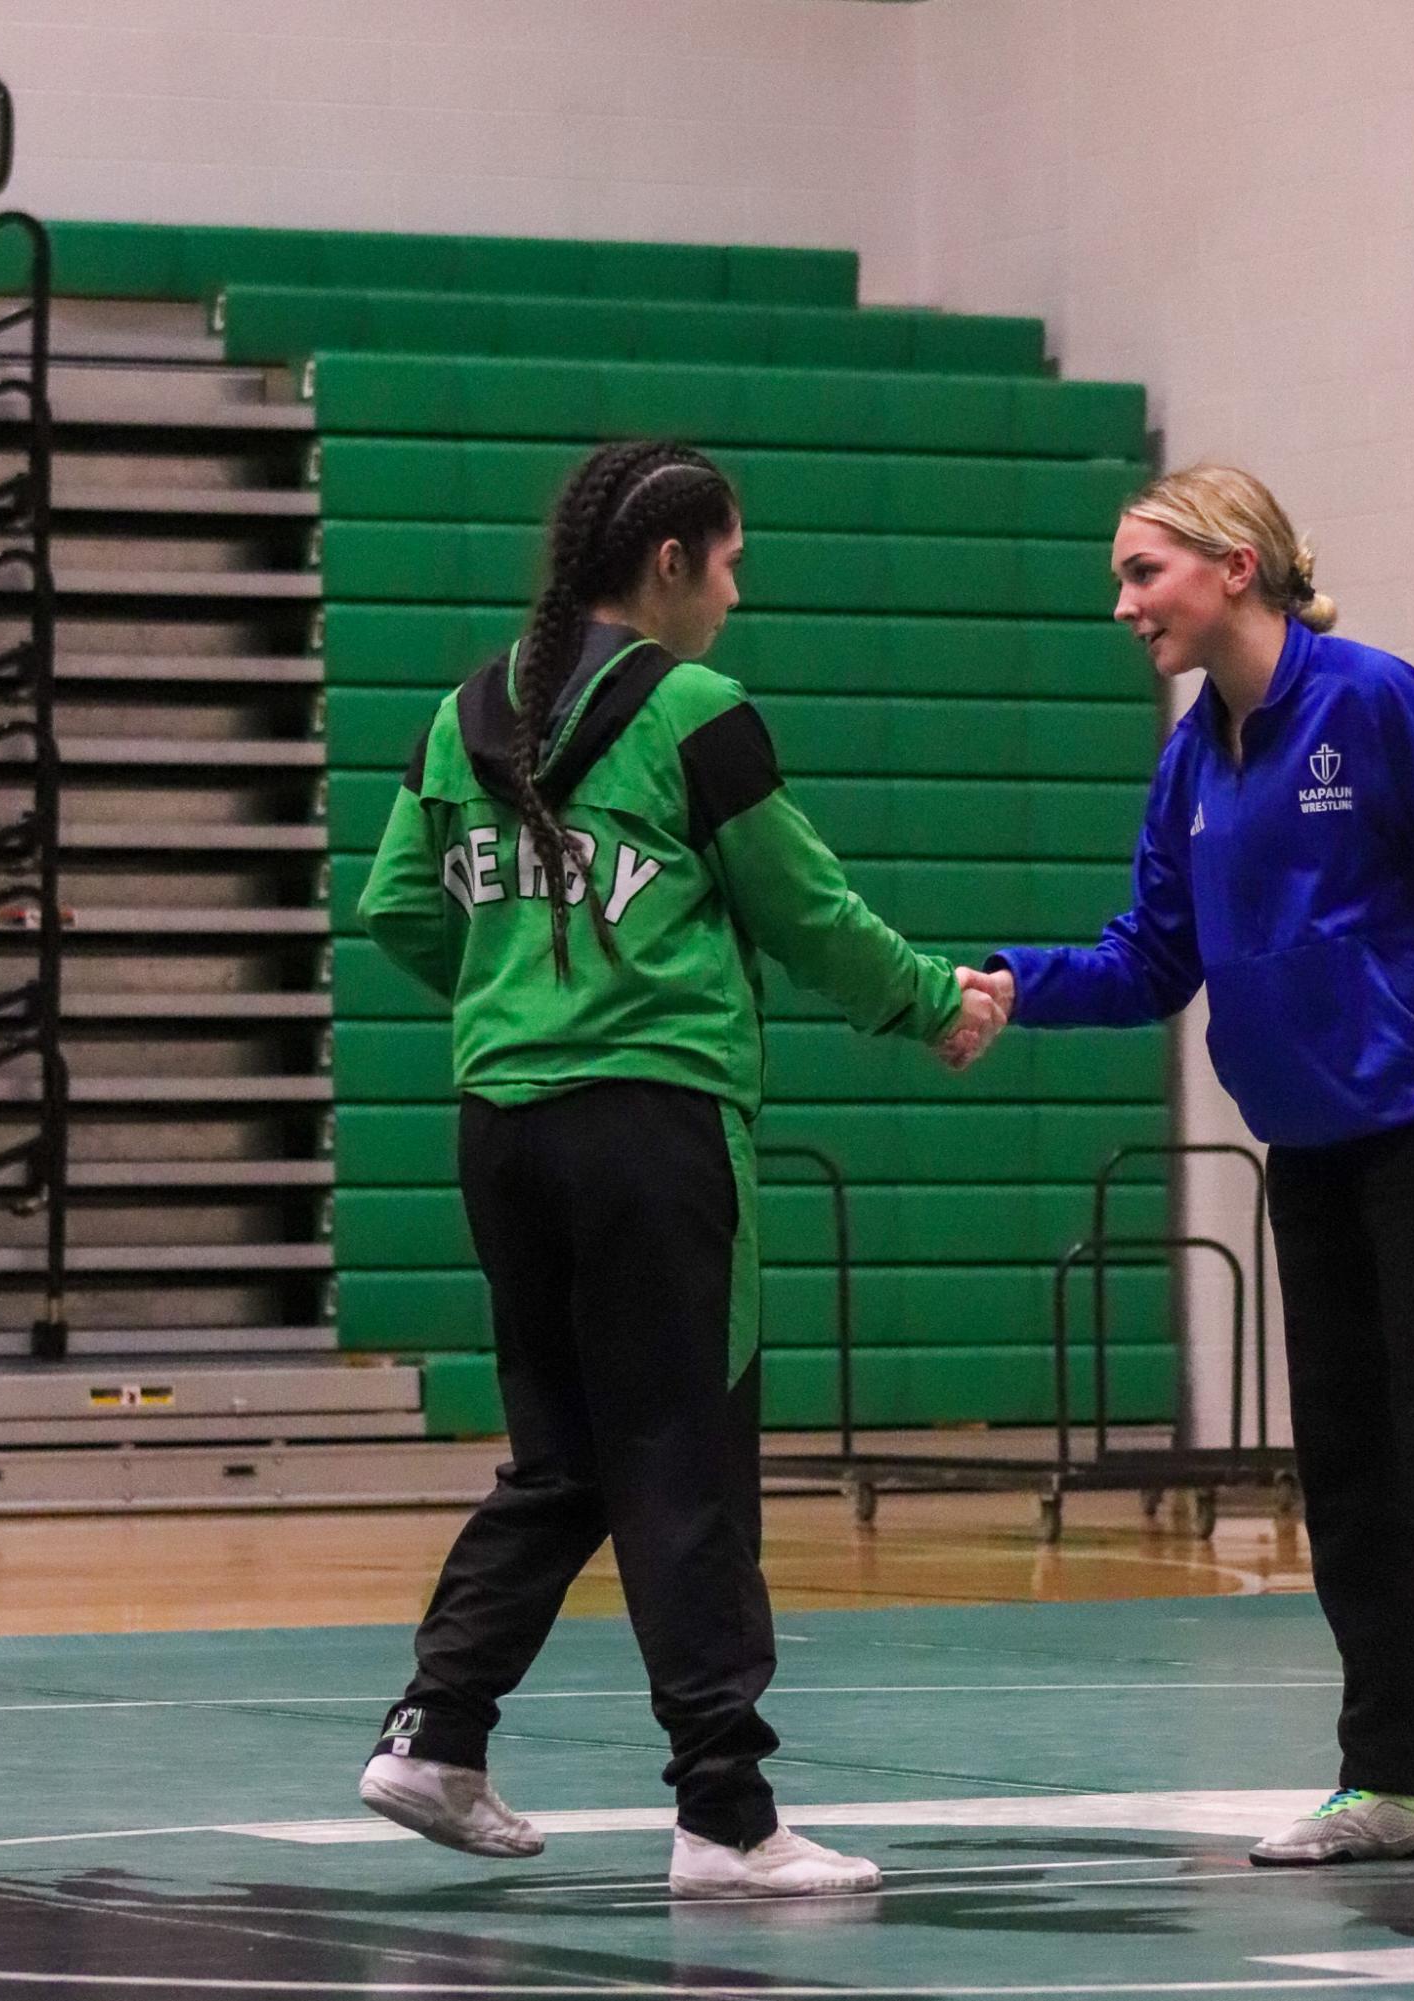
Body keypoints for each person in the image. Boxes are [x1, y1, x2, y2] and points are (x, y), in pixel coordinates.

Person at [958, 464, 1414, 1872]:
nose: (1122, 602)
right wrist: (1015, 983)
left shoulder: (1378, 701)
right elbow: (1151, 959)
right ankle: (1383, 1775)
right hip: (1309, 1159)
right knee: (1343, 1474)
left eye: (1142, 571)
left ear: (1234, 566)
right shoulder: (1188, 761)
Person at [353, 438, 1002, 1899]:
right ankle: (724, 1810)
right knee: (687, 1458)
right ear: (668, 563)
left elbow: (396, 906)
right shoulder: (694, 708)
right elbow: (807, 908)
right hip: (651, 1129)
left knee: (570, 1454)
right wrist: (929, 1000)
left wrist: (522, 983)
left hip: (500, 1126)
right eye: (730, 561)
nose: (732, 591)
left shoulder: (466, 710)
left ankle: (435, 1731)